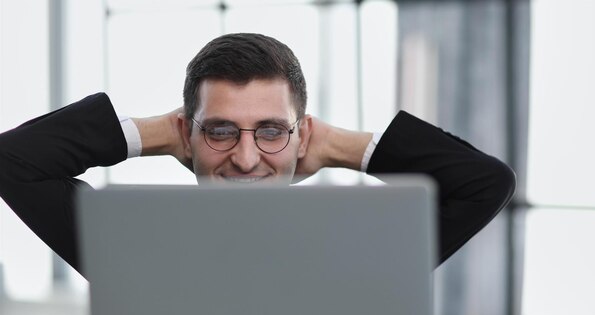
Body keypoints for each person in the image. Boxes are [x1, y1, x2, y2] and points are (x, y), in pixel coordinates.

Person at [0, 33, 515, 278]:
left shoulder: (360, 261)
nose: (246, 159)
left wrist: (336, 145)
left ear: (301, 134)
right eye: (221, 130)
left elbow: (484, 183)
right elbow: (14, 161)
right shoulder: (135, 254)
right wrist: (160, 131)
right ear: (187, 133)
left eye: (271, 131)